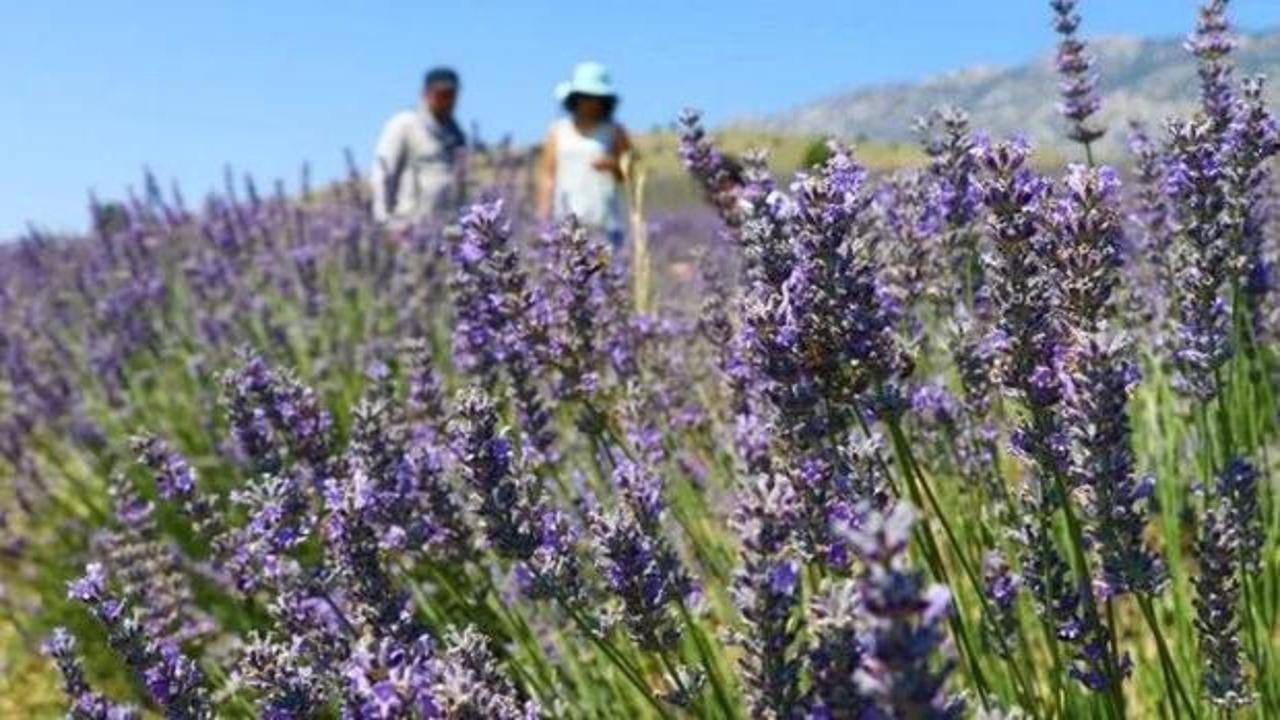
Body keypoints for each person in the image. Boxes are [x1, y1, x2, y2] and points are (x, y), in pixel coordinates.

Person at [536, 61, 632, 248]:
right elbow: (547, 176)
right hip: (565, 222)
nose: (592, 103)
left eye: (597, 97)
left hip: (605, 221)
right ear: (575, 98)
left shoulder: (614, 130)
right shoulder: (558, 131)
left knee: (607, 272)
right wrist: (542, 218)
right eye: (586, 96)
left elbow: (631, 173)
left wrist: (613, 165)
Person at [370, 67, 467, 226]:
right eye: (441, 94)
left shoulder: (457, 134)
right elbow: (384, 171)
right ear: (426, 93)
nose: (447, 101)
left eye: (451, 95)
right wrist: (383, 219)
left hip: (445, 228)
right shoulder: (405, 124)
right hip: (408, 225)